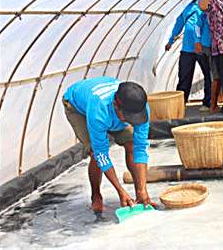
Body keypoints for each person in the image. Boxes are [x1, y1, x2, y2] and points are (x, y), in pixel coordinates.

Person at [62, 77, 156, 212]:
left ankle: (139, 194)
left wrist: (143, 189)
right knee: (95, 153)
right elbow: (102, 154)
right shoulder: (98, 112)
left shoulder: (139, 106)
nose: (132, 121)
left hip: (109, 110)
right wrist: (120, 190)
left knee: (131, 144)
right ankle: (96, 195)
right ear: (116, 106)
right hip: (77, 108)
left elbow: (140, 147)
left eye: (135, 117)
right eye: (129, 117)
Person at [165, 0, 211, 111]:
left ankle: (208, 102)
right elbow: (179, 23)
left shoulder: (205, 3)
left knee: (208, 75)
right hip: (187, 48)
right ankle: (180, 104)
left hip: (203, 47)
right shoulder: (186, 6)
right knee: (184, 76)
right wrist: (171, 41)